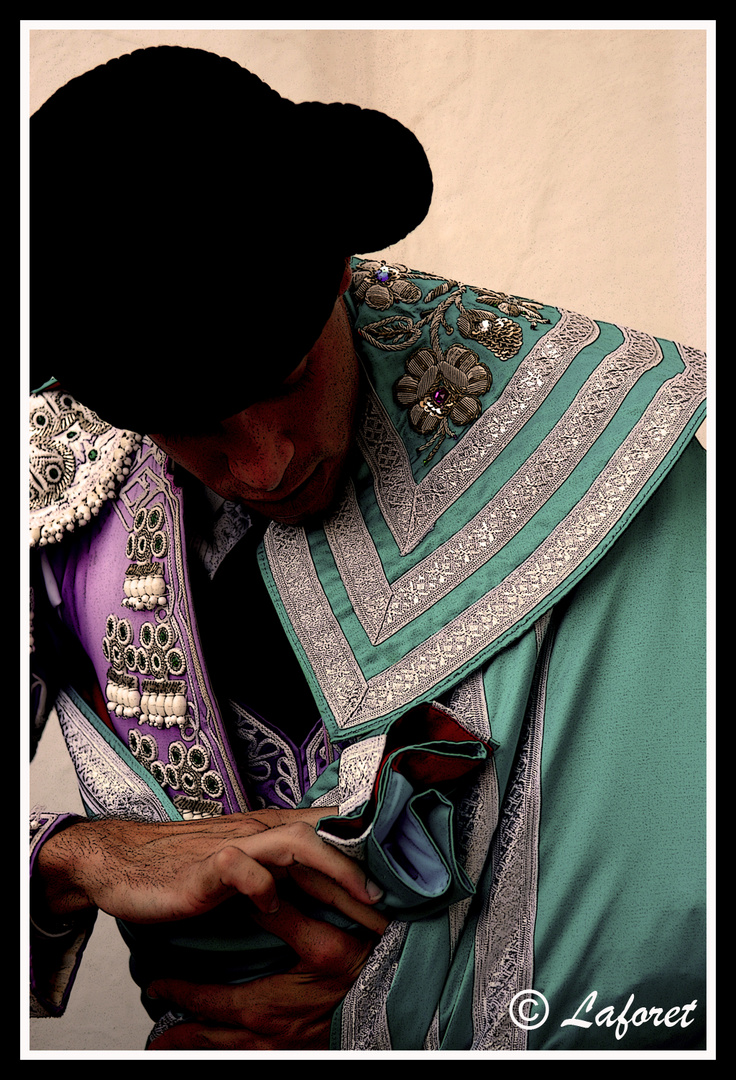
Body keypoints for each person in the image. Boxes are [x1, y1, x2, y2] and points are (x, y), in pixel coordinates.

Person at [28, 46, 707, 1052]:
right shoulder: (53, 484)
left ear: (342, 268)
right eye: (187, 423)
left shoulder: (606, 444)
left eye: (289, 374)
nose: (261, 466)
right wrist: (75, 857)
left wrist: (407, 1001)